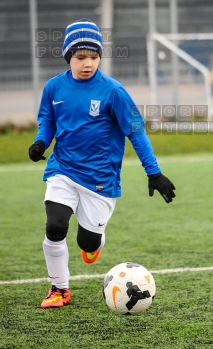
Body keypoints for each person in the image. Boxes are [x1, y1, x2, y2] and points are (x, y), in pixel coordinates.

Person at [29, 19, 176, 308]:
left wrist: (154, 173)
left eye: (94, 57)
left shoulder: (113, 91)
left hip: (100, 179)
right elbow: (47, 120)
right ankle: (59, 289)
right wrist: (41, 142)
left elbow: (136, 131)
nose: (88, 63)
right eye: (81, 57)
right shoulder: (53, 87)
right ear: (68, 56)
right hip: (63, 169)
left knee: (88, 242)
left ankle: (94, 242)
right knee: (55, 225)